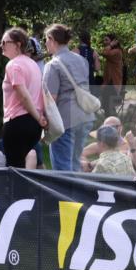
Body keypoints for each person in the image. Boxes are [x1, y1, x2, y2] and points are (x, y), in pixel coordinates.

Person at [44, 24, 95, 171]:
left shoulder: (53, 65)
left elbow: (51, 99)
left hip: (65, 120)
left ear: (52, 39)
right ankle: (76, 193)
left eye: (46, 39)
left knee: (63, 168)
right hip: (85, 116)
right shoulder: (81, 60)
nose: (45, 43)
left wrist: (45, 122)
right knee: (74, 162)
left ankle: (66, 194)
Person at [0, 27, 47, 168]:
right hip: (34, 124)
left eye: (4, 42)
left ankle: (17, 191)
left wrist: (39, 117)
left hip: (18, 122)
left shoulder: (13, 65)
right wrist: (39, 117)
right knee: (22, 165)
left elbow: (24, 96)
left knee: (13, 168)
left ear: (18, 44)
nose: (1, 45)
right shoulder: (33, 64)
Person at [100, 33, 124, 114]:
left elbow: (104, 53)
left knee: (109, 108)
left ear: (113, 42)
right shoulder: (113, 51)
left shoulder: (116, 52)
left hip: (113, 83)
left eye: (107, 40)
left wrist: (110, 45)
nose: (104, 42)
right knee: (107, 107)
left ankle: (114, 123)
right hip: (109, 83)